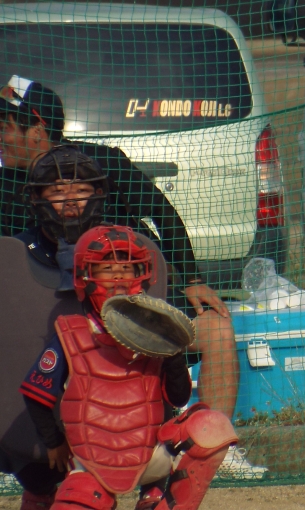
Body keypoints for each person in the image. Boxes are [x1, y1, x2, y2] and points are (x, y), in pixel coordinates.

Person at [0, 75, 240, 419]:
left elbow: (161, 211)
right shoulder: (5, 185)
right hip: (47, 318)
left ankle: (213, 440)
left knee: (216, 328)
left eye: (5, 127)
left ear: (36, 130)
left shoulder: (103, 163)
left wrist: (191, 279)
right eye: (57, 192)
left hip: (129, 306)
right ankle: (28, 444)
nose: (1, 137)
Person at [20, 223, 238, 510]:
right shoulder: (71, 333)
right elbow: (35, 393)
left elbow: (179, 398)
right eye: (107, 268)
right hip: (91, 462)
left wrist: (172, 352)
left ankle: (161, 500)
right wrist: (53, 443)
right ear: (86, 277)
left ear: (141, 275)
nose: (119, 275)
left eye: (127, 268)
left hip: (149, 453)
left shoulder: (156, 330)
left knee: (213, 426)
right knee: (78, 500)